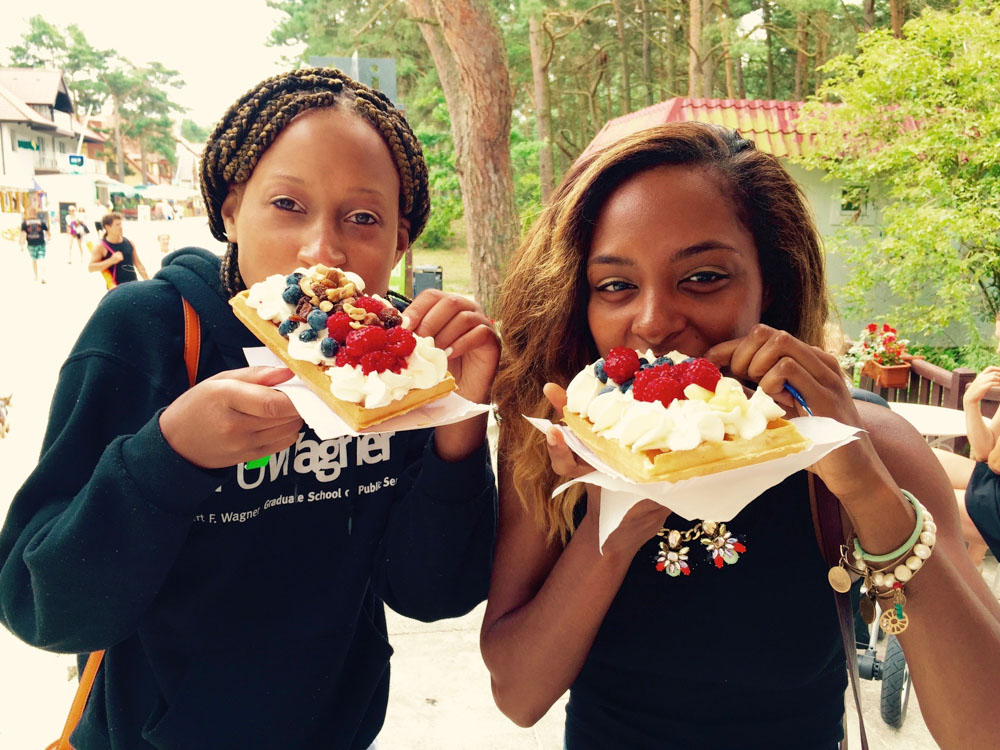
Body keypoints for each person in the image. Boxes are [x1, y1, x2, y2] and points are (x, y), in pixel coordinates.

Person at [0, 67, 498, 750]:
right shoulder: (147, 330)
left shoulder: (400, 365)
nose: (322, 249)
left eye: (363, 218)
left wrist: (458, 422)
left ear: (400, 242)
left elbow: (432, 593)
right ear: (232, 210)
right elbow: (40, 606)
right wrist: (168, 455)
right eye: (287, 204)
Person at [481, 123, 1000, 749]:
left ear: (769, 284)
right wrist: (613, 514)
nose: (652, 323)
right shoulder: (554, 445)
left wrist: (865, 485)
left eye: (702, 277)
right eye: (615, 285)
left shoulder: (866, 445)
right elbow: (517, 694)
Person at [931, 315, 1000, 567]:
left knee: (920, 499)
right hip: (994, 482)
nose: (999, 350)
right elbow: (983, 452)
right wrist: (970, 402)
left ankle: (960, 573)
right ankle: (972, 567)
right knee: (925, 460)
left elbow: (995, 462)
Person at [88, 211, 149, 286]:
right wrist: (111, 260)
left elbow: (139, 265)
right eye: (117, 225)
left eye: (121, 224)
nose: (121, 227)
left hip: (133, 285)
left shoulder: (129, 242)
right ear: (107, 227)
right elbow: (91, 268)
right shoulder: (101, 246)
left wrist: (148, 281)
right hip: (115, 289)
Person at [19, 205, 49, 283]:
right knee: (42, 259)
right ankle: (43, 277)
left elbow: (23, 235)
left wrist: (21, 245)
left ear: (28, 213)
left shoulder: (25, 223)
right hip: (41, 243)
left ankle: (36, 276)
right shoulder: (41, 222)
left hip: (31, 244)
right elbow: (47, 231)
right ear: (35, 213)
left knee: (34, 260)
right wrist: (49, 238)